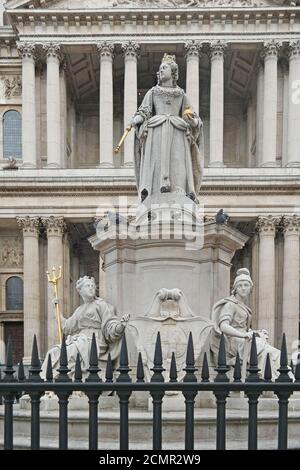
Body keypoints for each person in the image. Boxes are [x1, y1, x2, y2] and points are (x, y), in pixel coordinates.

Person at [130, 53, 204, 203]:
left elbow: (192, 115)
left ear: (173, 72)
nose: (161, 71)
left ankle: (180, 188)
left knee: (177, 160)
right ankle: (154, 188)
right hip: (156, 129)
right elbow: (144, 111)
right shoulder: (152, 92)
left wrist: (194, 122)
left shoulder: (181, 94)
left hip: (177, 130)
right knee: (156, 159)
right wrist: (136, 119)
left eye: (164, 68)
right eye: (160, 69)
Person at [41, 276, 129, 380]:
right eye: (88, 286)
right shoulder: (79, 309)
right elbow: (67, 327)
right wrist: (56, 310)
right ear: (80, 290)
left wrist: (120, 326)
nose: (91, 288)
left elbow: (110, 325)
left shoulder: (101, 305)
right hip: (80, 340)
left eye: (92, 286)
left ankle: (53, 380)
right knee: (53, 352)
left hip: (95, 341)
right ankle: (44, 382)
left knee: (70, 352)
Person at [210, 268, 281, 379]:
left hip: (243, 339)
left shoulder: (243, 306)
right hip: (233, 341)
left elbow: (244, 328)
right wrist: (243, 335)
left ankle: (275, 379)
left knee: (273, 353)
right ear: (235, 289)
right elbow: (223, 326)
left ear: (250, 288)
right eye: (240, 285)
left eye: (246, 285)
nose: (243, 288)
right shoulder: (230, 304)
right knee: (266, 351)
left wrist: (256, 332)